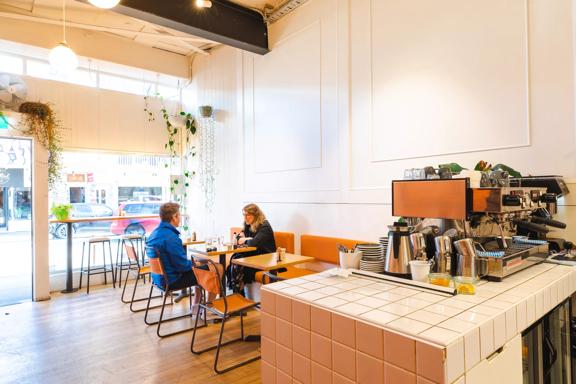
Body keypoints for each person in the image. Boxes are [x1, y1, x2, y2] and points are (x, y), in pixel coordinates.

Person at [146, 202, 201, 305]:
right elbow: (182, 266)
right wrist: (195, 263)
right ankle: (201, 307)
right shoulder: (171, 237)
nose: (180, 218)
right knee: (210, 270)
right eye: (179, 215)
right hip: (172, 281)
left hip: (158, 279)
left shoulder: (153, 234)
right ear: (174, 217)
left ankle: (197, 306)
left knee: (201, 269)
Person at [228, 203, 276, 295]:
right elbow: (237, 239)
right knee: (236, 258)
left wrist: (246, 240)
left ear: (256, 215)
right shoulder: (249, 225)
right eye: (244, 215)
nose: (245, 218)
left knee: (237, 261)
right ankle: (238, 294)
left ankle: (238, 294)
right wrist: (247, 239)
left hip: (266, 258)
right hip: (255, 255)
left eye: (248, 215)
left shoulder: (264, 226)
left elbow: (253, 243)